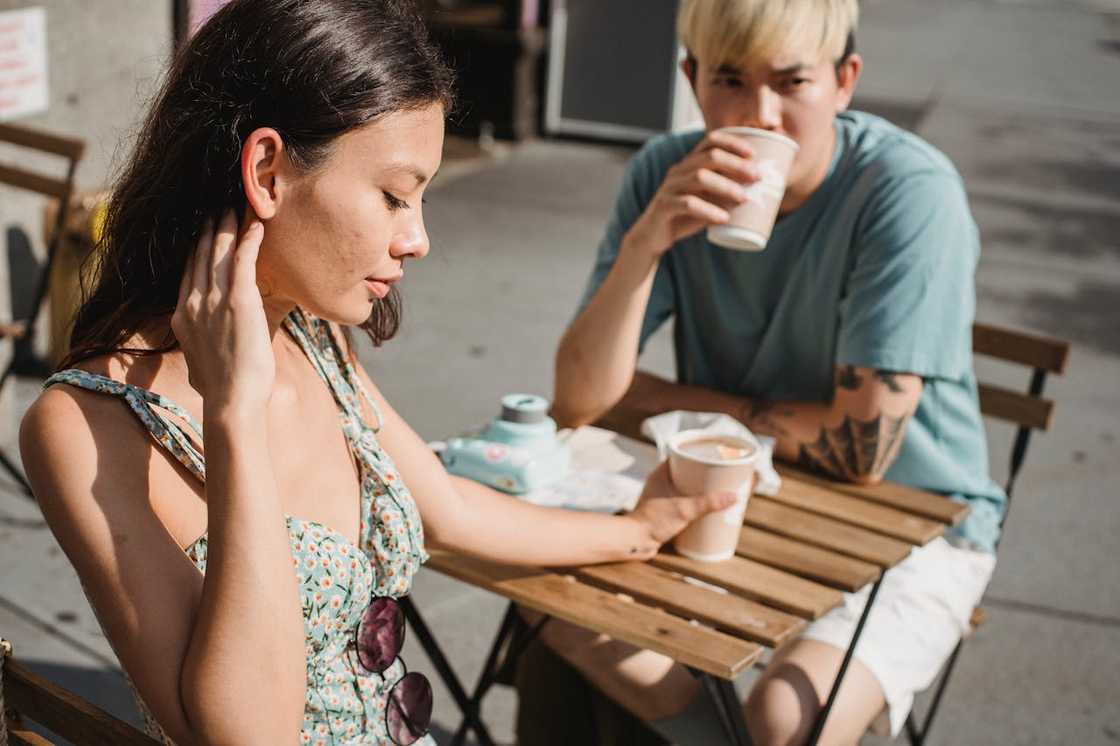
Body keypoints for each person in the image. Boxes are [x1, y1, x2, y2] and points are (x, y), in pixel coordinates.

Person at [16, 1, 733, 744]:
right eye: (394, 195)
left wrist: (636, 530)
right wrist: (234, 413)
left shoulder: (314, 335)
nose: (418, 238)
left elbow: (448, 511)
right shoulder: (85, 428)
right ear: (267, 171)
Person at [530, 0, 1007, 744]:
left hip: (917, 523)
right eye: (729, 80)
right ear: (691, 80)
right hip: (735, 496)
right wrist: (646, 245)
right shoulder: (665, 172)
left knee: (784, 716)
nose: (762, 115)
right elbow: (581, 398)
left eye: (792, 82)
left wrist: (680, 409)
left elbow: (860, 449)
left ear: (844, 81)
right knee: (544, 599)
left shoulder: (906, 191)